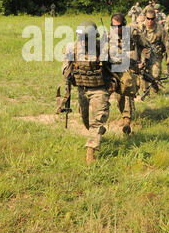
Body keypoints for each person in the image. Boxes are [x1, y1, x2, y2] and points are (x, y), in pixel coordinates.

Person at [61, 20, 111, 165]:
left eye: (86, 39)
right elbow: (64, 67)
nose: (83, 42)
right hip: (82, 89)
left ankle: (90, 152)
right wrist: (68, 71)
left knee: (97, 121)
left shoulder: (102, 49)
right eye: (81, 38)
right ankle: (96, 134)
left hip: (99, 90)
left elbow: (116, 68)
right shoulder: (72, 48)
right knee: (86, 119)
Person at [105, 12, 151, 135]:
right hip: (116, 69)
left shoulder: (133, 33)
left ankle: (127, 120)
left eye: (119, 26)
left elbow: (146, 47)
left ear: (124, 25)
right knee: (119, 96)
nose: (116, 29)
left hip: (131, 68)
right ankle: (125, 114)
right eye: (114, 26)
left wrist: (142, 61)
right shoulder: (108, 36)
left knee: (128, 91)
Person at [139, 9, 169, 91]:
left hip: (156, 54)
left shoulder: (160, 29)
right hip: (143, 54)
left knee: (155, 74)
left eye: (152, 19)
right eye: (148, 18)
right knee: (142, 74)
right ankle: (146, 90)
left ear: (155, 18)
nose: (150, 21)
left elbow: (167, 43)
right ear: (145, 17)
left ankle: (154, 84)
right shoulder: (140, 28)